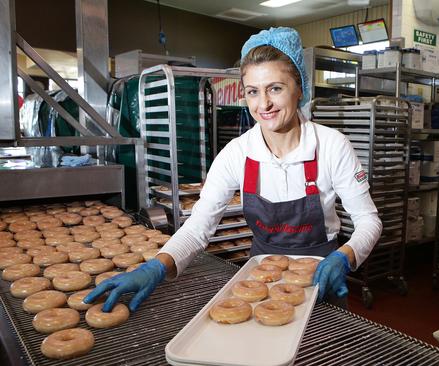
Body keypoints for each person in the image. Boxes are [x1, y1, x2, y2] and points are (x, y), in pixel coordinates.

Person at [85, 27, 382, 312]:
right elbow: (199, 227)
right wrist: (157, 265)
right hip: (259, 284)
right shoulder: (236, 154)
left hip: (323, 278)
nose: (263, 104)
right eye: (253, 91)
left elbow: (368, 220)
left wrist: (345, 257)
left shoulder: (331, 145)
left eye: (275, 88)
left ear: (299, 89)